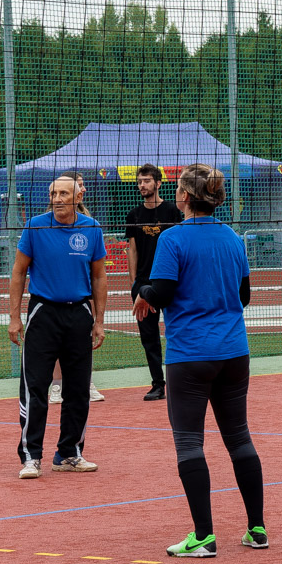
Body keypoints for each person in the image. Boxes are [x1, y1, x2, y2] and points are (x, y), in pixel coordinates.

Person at [132, 164, 267, 557]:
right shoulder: (233, 239)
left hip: (190, 354)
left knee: (189, 442)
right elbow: (244, 296)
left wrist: (143, 291)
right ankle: (257, 529)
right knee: (239, 438)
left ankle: (204, 537)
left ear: (186, 197)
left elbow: (162, 292)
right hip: (234, 352)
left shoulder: (173, 238)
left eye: (179, 188)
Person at [10, 175, 107, 477]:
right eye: (53, 193)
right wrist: (14, 317)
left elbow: (99, 276)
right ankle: (31, 456)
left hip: (79, 313)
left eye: (64, 193)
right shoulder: (35, 227)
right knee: (35, 388)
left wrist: (99, 321)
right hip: (43, 313)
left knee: (77, 389)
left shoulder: (92, 228)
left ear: (78, 197)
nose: (57, 199)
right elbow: (18, 272)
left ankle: (69, 453)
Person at [50, 171, 106, 404]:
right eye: (79, 184)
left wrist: (98, 315)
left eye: (82, 185)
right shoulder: (47, 222)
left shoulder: (89, 223)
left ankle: (87, 382)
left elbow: (97, 271)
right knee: (55, 347)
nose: (83, 188)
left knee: (83, 344)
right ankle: (56, 385)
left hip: (81, 298)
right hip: (54, 300)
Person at [125, 164, 179, 401]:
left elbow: (179, 244)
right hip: (144, 285)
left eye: (146, 181)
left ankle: (180, 380)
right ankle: (158, 384)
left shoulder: (172, 211)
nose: (142, 185)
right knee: (149, 338)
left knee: (178, 331)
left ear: (158, 183)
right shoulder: (134, 215)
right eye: (139, 181)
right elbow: (132, 250)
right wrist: (134, 284)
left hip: (169, 281)